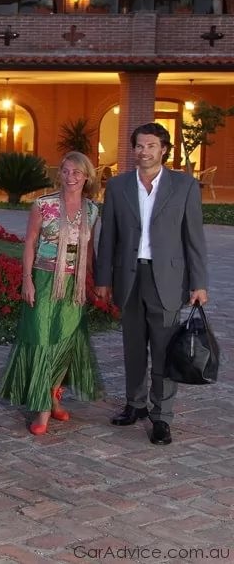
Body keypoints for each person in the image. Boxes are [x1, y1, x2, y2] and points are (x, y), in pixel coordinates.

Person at [94, 123, 208, 446]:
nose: (144, 152)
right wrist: (103, 279)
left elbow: (194, 238)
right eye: (139, 146)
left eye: (151, 146)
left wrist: (199, 283)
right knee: (132, 347)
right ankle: (135, 404)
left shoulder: (184, 186)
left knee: (163, 350)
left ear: (164, 150)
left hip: (167, 280)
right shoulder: (117, 186)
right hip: (129, 277)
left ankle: (162, 417)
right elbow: (108, 237)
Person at [0, 151, 104, 435]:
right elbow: (30, 243)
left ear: (87, 177)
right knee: (42, 339)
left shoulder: (92, 211)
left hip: (73, 284)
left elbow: (89, 250)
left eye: (76, 172)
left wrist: (95, 282)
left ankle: (54, 397)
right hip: (44, 280)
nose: (70, 177)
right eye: (65, 171)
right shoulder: (43, 205)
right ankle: (42, 407)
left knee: (65, 342)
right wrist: (27, 281)